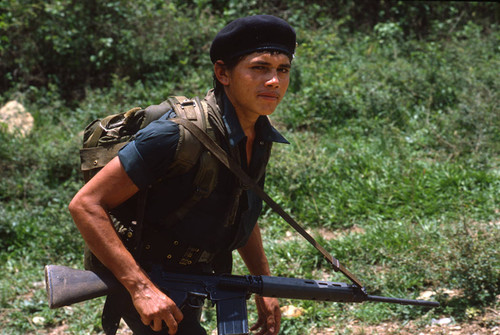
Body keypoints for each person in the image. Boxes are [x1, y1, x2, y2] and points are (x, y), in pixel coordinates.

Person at [69, 14, 296, 335]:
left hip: (199, 273)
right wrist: (141, 288)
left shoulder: (258, 133)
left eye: (282, 70)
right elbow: (85, 205)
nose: (274, 80)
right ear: (223, 73)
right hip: (147, 272)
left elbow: (242, 208)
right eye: (259, 68)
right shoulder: (176, 135)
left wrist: (265, 284)